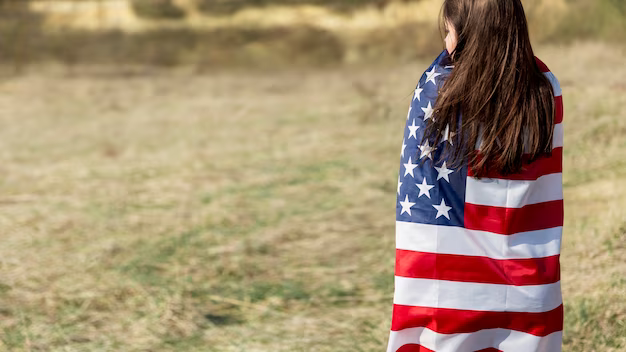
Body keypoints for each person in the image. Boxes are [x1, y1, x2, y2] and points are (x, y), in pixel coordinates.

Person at [386, 0, 564, 351]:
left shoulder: (439, 92)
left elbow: (446, 68)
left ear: (465, 35)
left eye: (449, 31)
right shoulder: (546, 89)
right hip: (530, 292)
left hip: (451, 298)